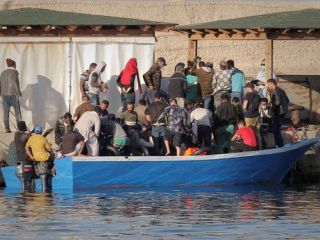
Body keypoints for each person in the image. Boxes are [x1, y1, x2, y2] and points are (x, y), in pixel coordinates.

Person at [25, 125, 54, 192]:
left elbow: (26, 147)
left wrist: (31, 156)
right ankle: (51, 172)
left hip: (35, 160)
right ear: (41, 132)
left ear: (35, 132)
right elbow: (49, 149)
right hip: (44, 159)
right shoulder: (43, 139)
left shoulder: (31, 139)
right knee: (52, 159)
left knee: (41, 175)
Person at [0, 58, 22, 133]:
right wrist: (18, 92)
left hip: (4, 95)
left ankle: (7, 128)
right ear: (14, 65)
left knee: (6, 113)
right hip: (13, 95)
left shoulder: (3, 73)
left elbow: (0, 84)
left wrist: (1, 93)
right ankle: (20, 129)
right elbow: (14, 83)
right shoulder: (14, 72)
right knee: (17, 112)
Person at [267, 78, 289, 148]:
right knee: (277, 130)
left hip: (278, 113)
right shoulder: (281, 90)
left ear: (272, 84)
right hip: (282, 112)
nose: (268, 86)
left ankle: (280, 146)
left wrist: (271, 109)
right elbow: (287, 100)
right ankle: (280, 145)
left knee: (276, 131)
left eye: (268, 84)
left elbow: (277, 102)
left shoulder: (275, 91)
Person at [14, 121, 34, 192]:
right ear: (24, 127)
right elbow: (30, 137)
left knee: (24, 180)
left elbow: (25, 136)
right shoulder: (24, 136)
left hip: (19, 159)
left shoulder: (16, 134)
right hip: (26, 158)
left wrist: (31, 132)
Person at [145, 91, 167, 155]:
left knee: (156, 141)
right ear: (160, 98)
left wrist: (152, 122)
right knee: (163, 141)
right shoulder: (164, 105)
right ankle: (163, 154)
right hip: (163, 125)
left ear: (154, 98)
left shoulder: (150, 106)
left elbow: (147, 117)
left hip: (154, 125)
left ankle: (157, 155)